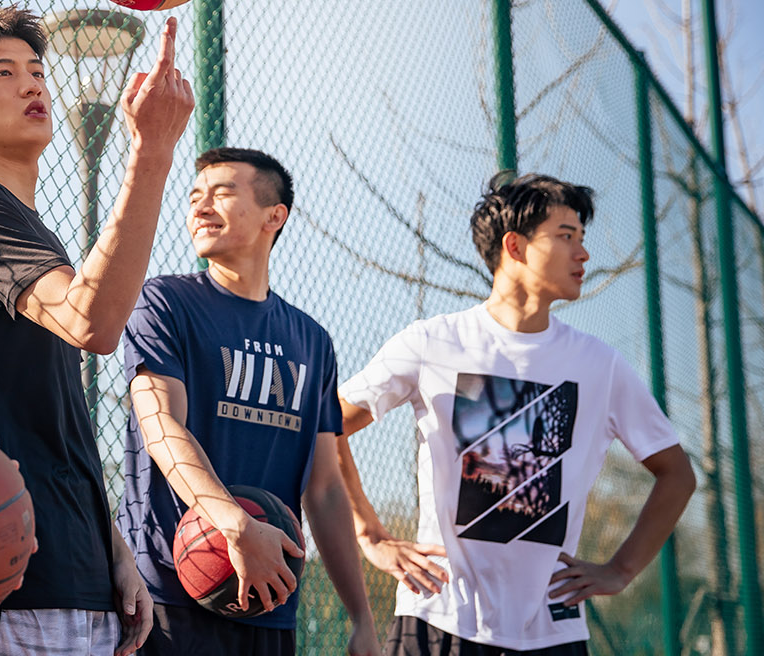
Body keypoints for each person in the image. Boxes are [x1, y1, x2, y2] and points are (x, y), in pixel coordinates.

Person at [0, 6, 193, 656]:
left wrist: (113, 549)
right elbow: (92, 323)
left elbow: (56, 427)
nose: (31, 84)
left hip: (73, 570)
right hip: (5, 577)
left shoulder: (33, 232)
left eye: (37, 70)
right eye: (2, 73)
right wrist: (151, 150)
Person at [336, 172, 697, 656]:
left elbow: (677, 474)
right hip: (439, 619)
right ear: (516, 247)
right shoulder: (432, 342)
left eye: (582, 239)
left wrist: (621, 570)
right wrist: (370, 534)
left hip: (555, 628)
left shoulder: (600, 365)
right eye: (566, 237)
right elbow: (328, 423)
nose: (583, 254)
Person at [118, 147, 380, 656]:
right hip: (167, 593)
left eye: (221, 193)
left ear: (274, 216)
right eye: (194, 196)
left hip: (269, 598)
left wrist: (361, 616)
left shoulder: (312, 341)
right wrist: (236, 526)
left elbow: (324, 488)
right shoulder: (163, 302)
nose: (200, 206)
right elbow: (161, 427)